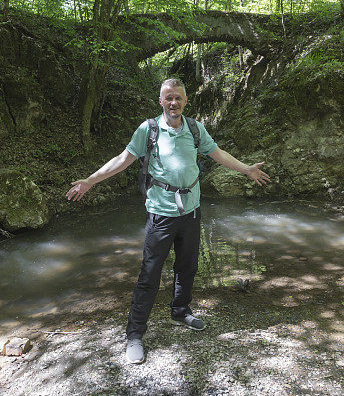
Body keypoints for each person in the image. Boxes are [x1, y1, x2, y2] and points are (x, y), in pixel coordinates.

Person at [66, 77, 270, 364]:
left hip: (191, 211)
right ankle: (135, 335)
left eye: (178, 98)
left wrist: (247, 169)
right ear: (161, 101)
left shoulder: (195, 129)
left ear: (185, 101)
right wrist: (91, 180)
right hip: (161, 213)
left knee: (187, 267)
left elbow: (218, 154)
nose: (173, 102)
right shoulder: (148, 130)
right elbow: (123, 159)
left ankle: (180, 311)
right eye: (168, 98)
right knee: (150, 274)